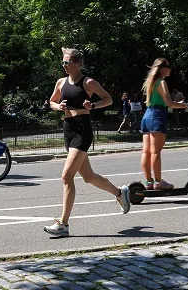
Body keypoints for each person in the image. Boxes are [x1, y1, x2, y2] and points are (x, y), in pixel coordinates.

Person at [43, 48, 130, 237]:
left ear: (78, 64)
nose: (64, 66)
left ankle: (63, 224)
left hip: (82, 130)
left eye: (67, 63)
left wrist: (93, 105)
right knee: (89, 177)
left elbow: (108, 99)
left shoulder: (88, 82)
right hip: (68, 128)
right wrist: (58, 106)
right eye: (63, 63)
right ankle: (119, 193)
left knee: (66, 176)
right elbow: (51, 101)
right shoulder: (61, 82)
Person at [140, 58, 188, 191]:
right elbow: (169, 103)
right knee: (155, 152)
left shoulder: (151, 83)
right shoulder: (162, 83)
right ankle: (158, 182)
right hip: (157, 115)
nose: (170, 69)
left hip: (147, 115)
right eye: (168, 66)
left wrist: (180, 105)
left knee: (146, 152)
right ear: (162, 68)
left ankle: (148, 182)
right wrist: (184, 105)